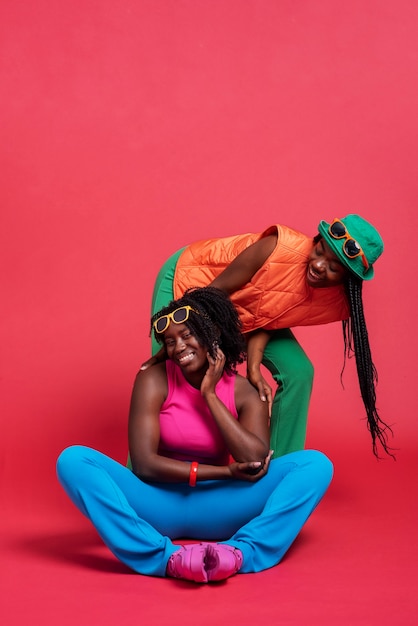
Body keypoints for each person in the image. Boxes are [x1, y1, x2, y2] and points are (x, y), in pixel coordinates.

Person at [56, 287, 333, 582]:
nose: (178, 347)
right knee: (73, 460)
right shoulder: (153, 379)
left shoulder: (243, 392)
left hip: (222, 508)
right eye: (170, 341)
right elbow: (144, 464)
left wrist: (210, 396)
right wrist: (225, 472)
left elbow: (254, 460)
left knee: (315, 465)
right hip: (158, 503)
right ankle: (167, 559)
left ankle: (241, 553)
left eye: (187, 335)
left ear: (211, 333)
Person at [142, 215, 393, 458]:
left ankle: (281, 469)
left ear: (349, 279)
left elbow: (270, 315)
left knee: (298, 371)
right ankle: (139, 473)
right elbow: (214, 293)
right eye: (319, 251)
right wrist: (172, 346)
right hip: (195, 284)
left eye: (333, 267)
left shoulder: (339, 301)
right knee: (169, 368)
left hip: (248, 308)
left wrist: (253, 367)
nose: (318, 265)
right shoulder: (278, 248)